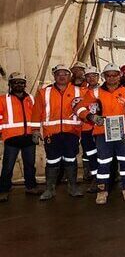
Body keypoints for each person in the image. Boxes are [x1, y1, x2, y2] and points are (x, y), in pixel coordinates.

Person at [76, 64, 125, 205]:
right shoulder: (95, 93)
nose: (112, 78)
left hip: (123, 134)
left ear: (119, 76)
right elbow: (79, 108)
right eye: (108, 75)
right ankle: (102, 191)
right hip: (102, 134)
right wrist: (91, 117)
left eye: (115, 75)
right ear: (104, 77)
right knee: (103, 163)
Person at [32, 65, 83, 200]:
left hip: (71, 133)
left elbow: (86, 111)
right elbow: (37, 113)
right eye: (58, 74)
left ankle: (73, 187)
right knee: (52, 161)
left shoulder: (80, 91)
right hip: (52, 134)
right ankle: (50, 189)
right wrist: (35, 130)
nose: (61, 76)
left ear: (69, 76)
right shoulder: (44, 92)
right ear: (54, 76)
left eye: (65, 74)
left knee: (71, 160)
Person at [0, 72, 41, 201]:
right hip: (12, 138)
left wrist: (36, 131)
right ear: (10, 84)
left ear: (25, 85)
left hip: (29, 138)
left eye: (21, 83)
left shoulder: (31, 99)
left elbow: (36, 116)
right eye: (15, 82)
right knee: (8, 167)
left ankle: (30, 186)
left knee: (30, 165)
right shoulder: (3, 99)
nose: (19, 85)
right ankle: (3, 190)